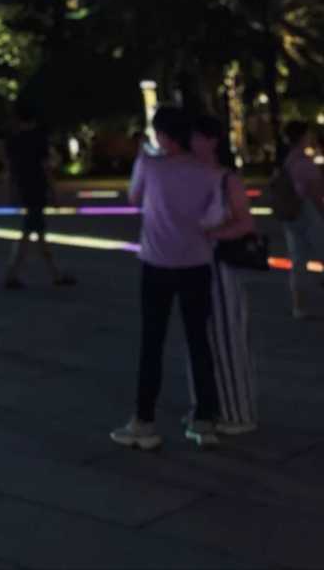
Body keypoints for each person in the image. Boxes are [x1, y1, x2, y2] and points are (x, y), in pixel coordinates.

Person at [111, 105, 223, 451]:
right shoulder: (208, 172)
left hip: (157, 263)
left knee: (152, 343)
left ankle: (144, 421)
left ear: (162, 135)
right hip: (197, 264)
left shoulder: (149, 165)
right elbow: (215, 216)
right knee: (198, 341)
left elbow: (133, 198)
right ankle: (205, 419)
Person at [190, 115, 257, 434]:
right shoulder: (190, 176)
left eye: (197, 137)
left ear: (212, 141)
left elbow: (246, 223)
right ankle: (207, 406)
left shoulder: (226, 179)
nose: (191, 143)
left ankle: (237, 412)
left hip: (221, 267)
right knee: (200, 340)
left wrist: (212, 236)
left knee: (228, 340)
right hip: (193, 265)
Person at [3, 105, 76, 289]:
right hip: (37, 189)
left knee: (34, 231)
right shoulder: (38, 139)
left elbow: (10, 170)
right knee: (31, 231)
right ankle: (15, 274)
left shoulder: (14, 140)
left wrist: (11, 191)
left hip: (24, 190)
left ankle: (50, 273)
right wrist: (54, 193)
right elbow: (46, 168)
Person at [278, 120, 324, 320]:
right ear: (302, 137)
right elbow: (316, 193)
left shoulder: (287, 161)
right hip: (308, 212)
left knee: (298, 261)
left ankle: (299, 306)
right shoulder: (305, 163)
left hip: (291, 214)